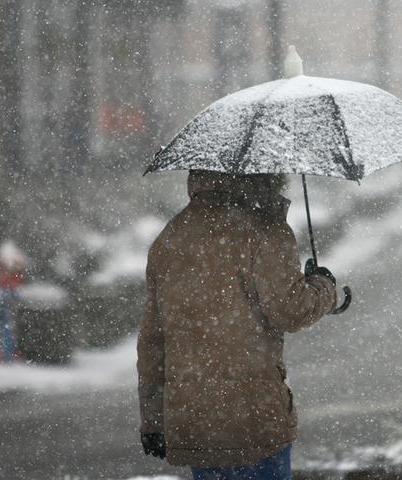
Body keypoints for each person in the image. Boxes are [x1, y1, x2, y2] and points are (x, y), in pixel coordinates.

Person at [137, 170, 337, 479]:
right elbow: (291, 310)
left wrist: (153, 419)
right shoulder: (266, 230)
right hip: (254, 420)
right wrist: (324, 287)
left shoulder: (171, 237)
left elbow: (153, 343)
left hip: (194, 421)